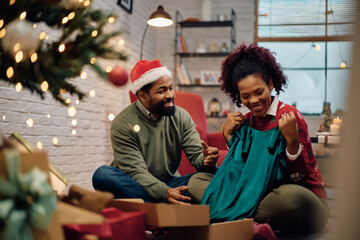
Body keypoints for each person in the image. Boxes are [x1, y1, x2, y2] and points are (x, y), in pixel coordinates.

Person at [188, 43, 329, 237]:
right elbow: (242, 172)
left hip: (300, 196)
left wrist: (292, 141)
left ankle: (229, 212)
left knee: (295, 199)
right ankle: (247, 219)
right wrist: (228, 137)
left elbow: (299, 178)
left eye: (259, 92)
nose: (253, 101)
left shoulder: (289, 117)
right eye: (245, 96)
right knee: (196, 181)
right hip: (255, 194)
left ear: (270, 84)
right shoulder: (244, 122)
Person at [92, 59, 219, 205]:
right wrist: (164, 193)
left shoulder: (181, 116)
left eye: (170, 88)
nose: (170, 95)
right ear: (143, 95)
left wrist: (207, 160)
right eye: (162, 91)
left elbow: (197, 158)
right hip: (136, 184)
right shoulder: (122, 124)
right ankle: (166, 203)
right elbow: (136, 173)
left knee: (220, 172)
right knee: (103, 175)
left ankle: (155, 205)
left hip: (171, 183)